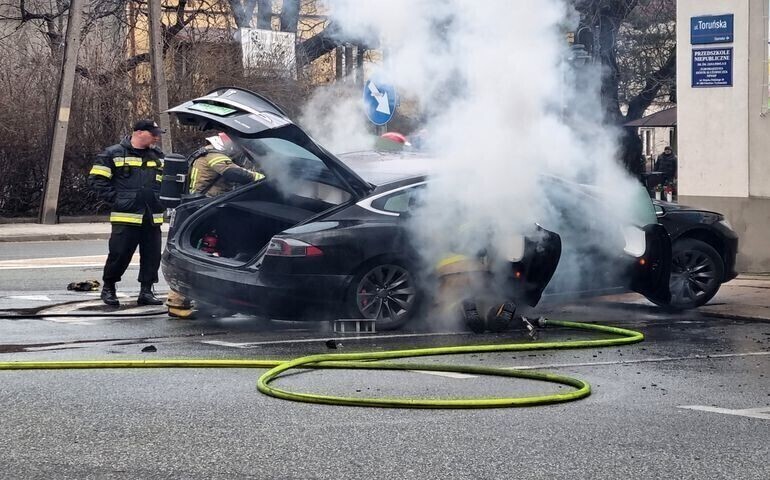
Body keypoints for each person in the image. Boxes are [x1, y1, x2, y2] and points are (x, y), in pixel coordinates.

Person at [165, 132, 264, 318]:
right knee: (195, 254)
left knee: (208, 253)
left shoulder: (204, 154)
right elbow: (234, 173)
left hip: (205, 208)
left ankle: (205, 300)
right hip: (203, 208)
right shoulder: (213, 156)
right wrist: (262, 178)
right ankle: (177, 301)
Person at [88, 120, 166, 307]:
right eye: (153, 133)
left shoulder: (158, 156)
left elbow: (166, 182)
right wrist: (117, 199)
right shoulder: (112, 154)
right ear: (139, 132)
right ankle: (109, 288)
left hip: (152, 217)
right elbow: (97, 180)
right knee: (119, 254)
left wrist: (162, 200)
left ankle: (146, 291)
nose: (157, 137)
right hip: (126, 216)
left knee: (152, 256)